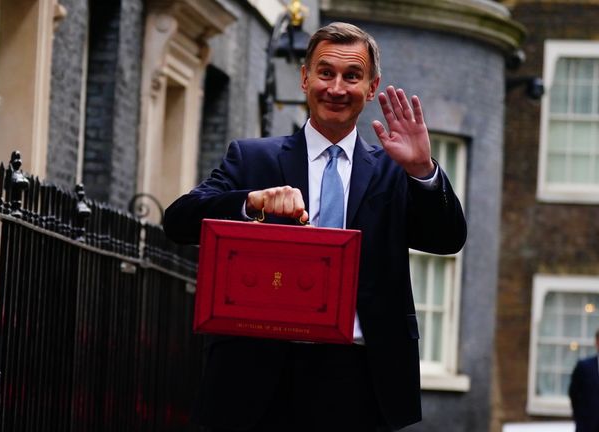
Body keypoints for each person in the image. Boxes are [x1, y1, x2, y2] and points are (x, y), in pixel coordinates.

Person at [163, 22, 467, 431]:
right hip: (257, 375)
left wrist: (422, 170)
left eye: (352, 76)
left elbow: (447, 238)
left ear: (372, 87)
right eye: (326, 73)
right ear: (305, 77)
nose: (337, 88)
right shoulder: (253, 160)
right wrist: (252, 203)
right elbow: (178, 220)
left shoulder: (395, 173)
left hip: (359, 378)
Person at [569, 329, 599, 432]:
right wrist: (580, 419)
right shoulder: (584, 367)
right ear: (597, 342)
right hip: (587, 427)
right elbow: (573, 394)